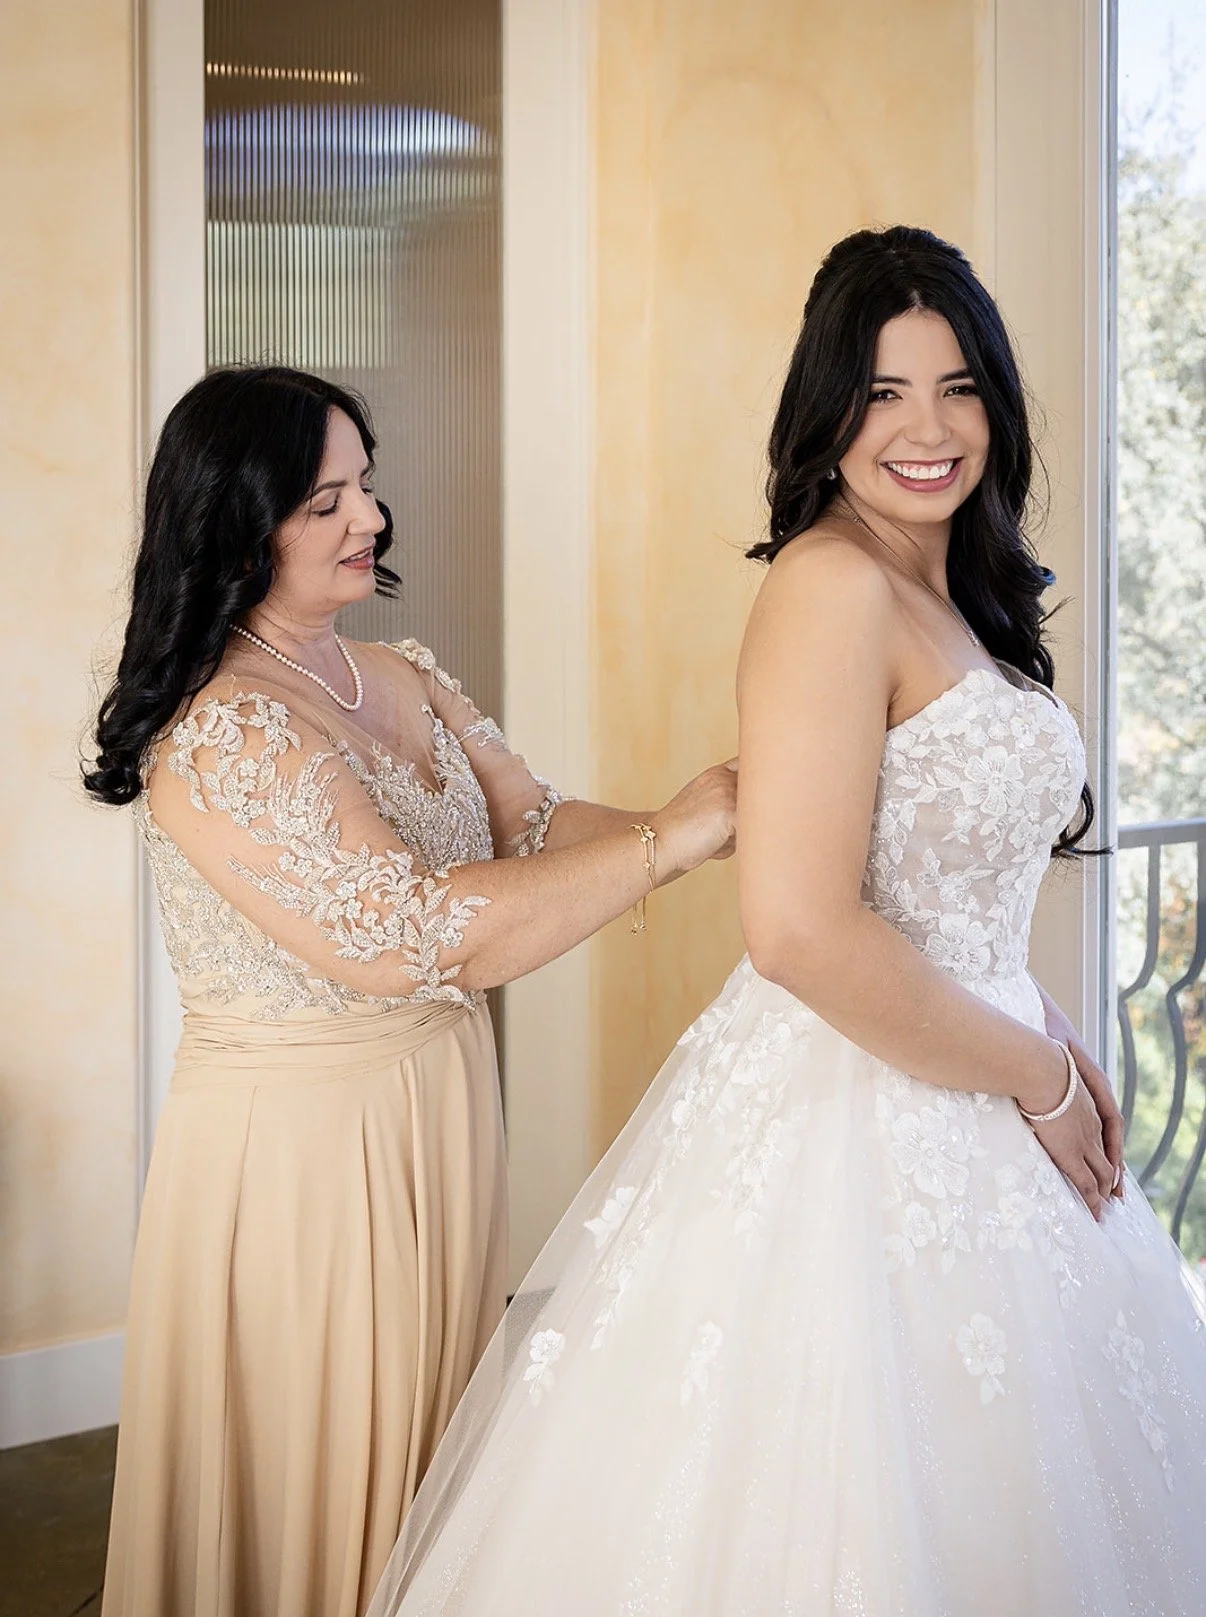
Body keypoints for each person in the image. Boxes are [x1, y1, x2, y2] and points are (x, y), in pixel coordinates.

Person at [366, 227, 1206, 1617]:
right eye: (881, 393)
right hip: (857, 1109)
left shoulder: (956, 588)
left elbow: (957, 897)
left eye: (957, 388)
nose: (926, 430)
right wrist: (1037, 1071)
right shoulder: (828, 584)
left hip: (979, 1058)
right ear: (826, 413)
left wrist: (1044, 1023)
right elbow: (800, 931)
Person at [84, 365, 737, 1617]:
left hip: (436, 1121)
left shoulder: (405, 673)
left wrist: (715, 815)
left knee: (439, 1464)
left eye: (366, 487)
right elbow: (418, 934)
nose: (368, 521)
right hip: (302, 1165)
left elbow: (535, 824)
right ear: (238, 519)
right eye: (324, 500)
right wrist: (675, 844)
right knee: (326, 1476)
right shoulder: (221, 731)